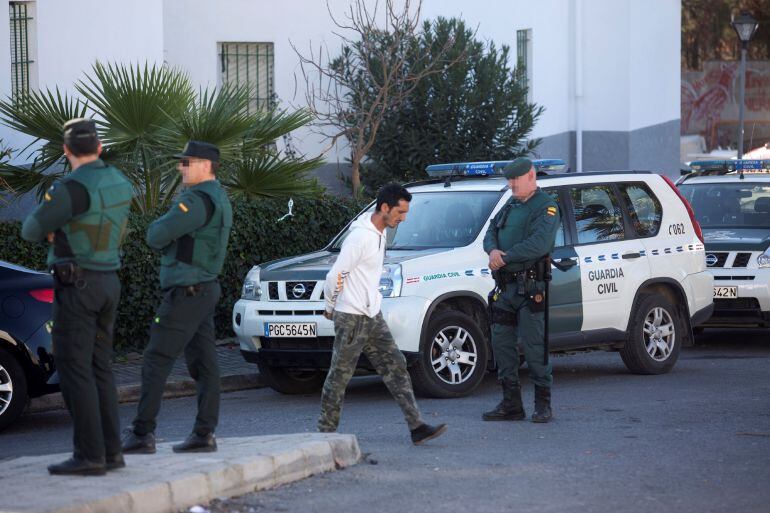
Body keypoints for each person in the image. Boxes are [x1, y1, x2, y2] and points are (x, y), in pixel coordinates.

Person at [22, 118, 133, 475]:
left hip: (77, 287)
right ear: (99, 148)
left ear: (67, 150)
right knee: (101, 368)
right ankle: (112, 452)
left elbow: (30, 229)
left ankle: (90, 456)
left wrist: (57, 230)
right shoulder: (120, 181)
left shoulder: (69, 187)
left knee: (73, 370)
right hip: (108, 283)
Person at [121, 141, 232, 454]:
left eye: (186, 163)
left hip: (187, 292)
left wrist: (163, 228)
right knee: (205, 365)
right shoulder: (219, 196)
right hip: (204, 289)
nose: (180, 168)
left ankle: (142, 433)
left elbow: (155, 235)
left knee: (156, 359)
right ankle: (204, 433)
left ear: (204, 165)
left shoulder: (196, 201)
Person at [318, 183, 447, 445]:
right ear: (384, 208)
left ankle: (417, 427)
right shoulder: (361, 237)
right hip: (352, 316)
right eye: (400, 212)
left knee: (396, 365)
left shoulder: (379, 233)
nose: (403, 218)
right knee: (339, 376)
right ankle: (324, 434)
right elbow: (335, 275)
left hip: (371, 314)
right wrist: (330, 308)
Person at [482, 157, 560, 423]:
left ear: (531, 176)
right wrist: (492, 250)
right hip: (505, 289)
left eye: (516, 179)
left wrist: (505, 257)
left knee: (534, 345)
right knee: (501, 344)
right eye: (509, 179)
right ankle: (511, 404)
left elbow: (539, 244)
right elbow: (490, 231)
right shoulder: (511, 204)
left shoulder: (546, 206)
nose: (511, 184)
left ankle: (543, 404)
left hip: (530, 288)